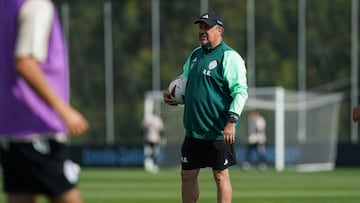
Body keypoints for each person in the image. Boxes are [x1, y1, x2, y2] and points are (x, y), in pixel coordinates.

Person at [0, 1, 89, 203]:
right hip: (36, 125)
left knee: (20, 196)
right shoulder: (36, 5)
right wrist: (63, 110)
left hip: (10, 127)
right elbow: (25, 62)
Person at [163, 11, 248, 203]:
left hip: (218, 129)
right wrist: (170, 93)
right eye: (200, 27)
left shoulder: (230, 57)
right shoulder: (195, 54)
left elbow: (240, 91)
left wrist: (232, 121)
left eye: (207, 27)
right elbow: (184, 81)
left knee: (220, 175)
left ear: (219, 31)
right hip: (193, 130)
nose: (202, 31)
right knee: (187, 176)